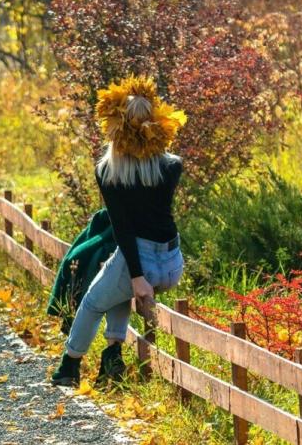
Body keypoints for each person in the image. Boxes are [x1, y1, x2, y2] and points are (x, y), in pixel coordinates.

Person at [51, 76, 188, 387]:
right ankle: (112, 356)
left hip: (141, 265)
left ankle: (68, 366)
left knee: (91, 302)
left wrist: (139, 279)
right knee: (117, 285)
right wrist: (134, 279)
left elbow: (123, 229)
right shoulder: (173, 167)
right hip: (172, 263)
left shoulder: (107, 172)